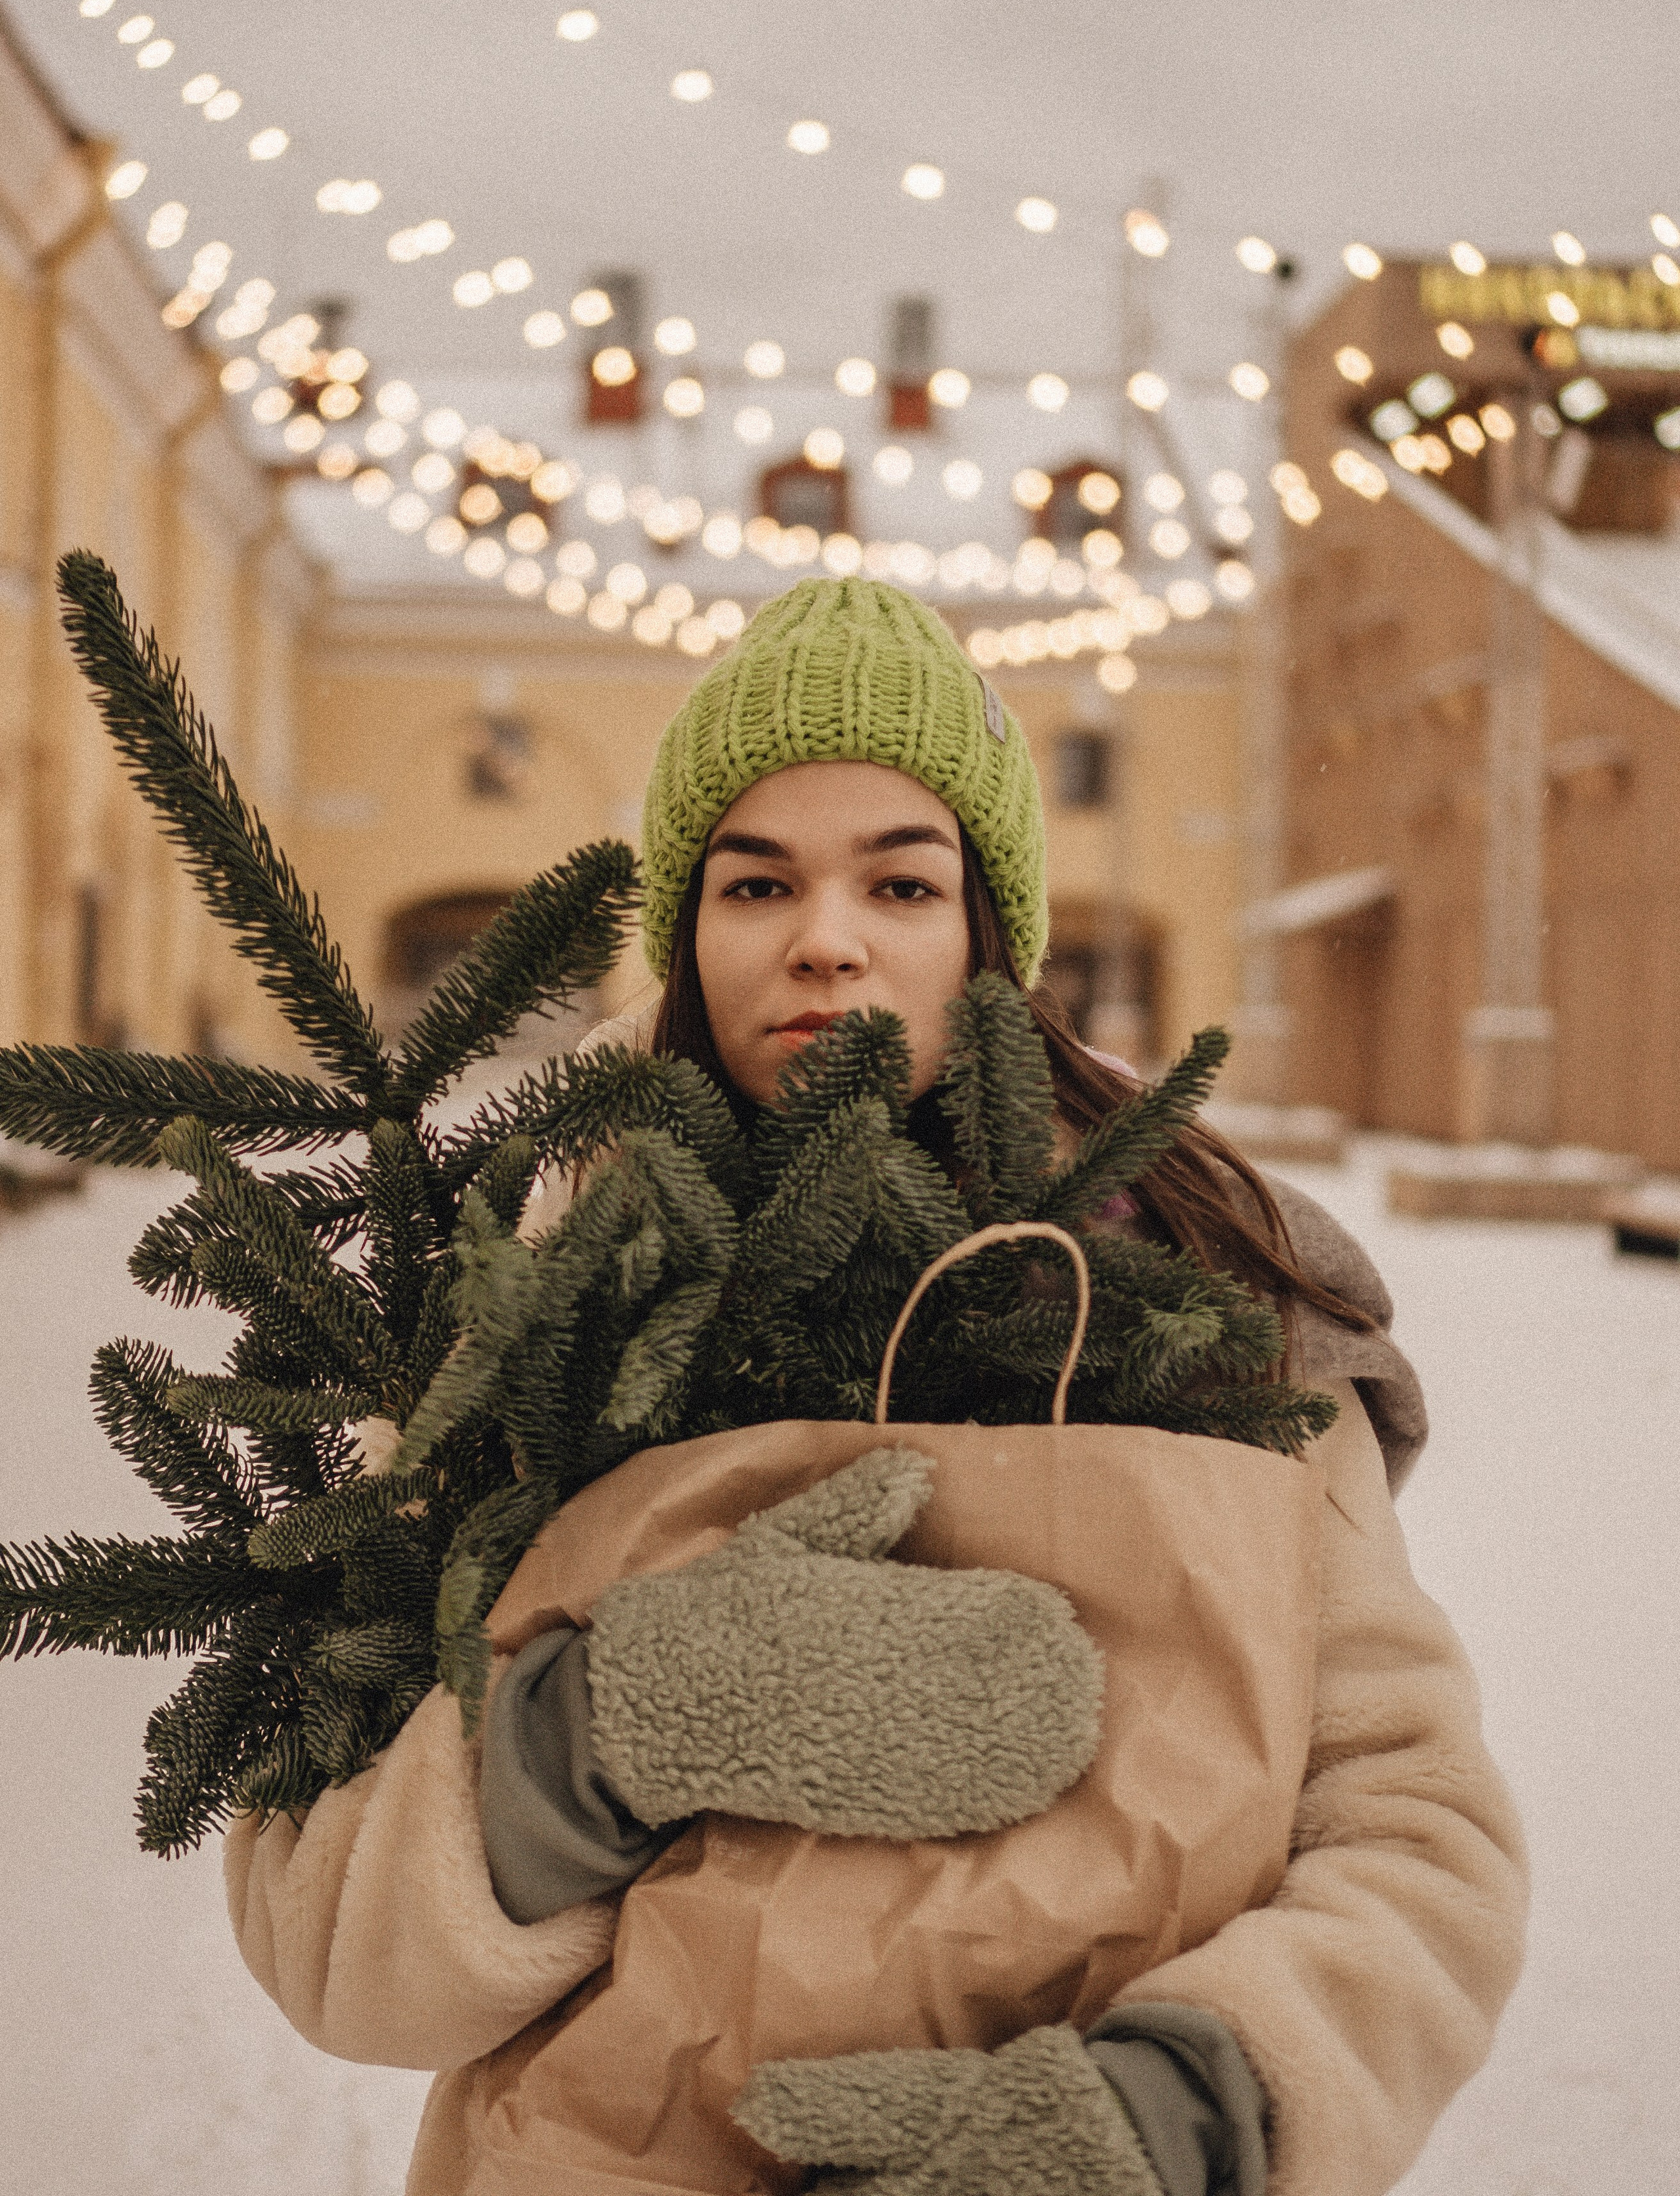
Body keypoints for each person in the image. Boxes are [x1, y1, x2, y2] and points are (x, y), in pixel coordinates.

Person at [227, 579, 1526, 2196]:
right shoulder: (527, 1304)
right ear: (686, 933)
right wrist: (598, 1739)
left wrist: (1167, 2117)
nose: (822, 939)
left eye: (898, 883)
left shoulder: (1199, 1299)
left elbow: (1411, 1836)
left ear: (986, 933)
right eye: (754, 879)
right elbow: (323, 1934)